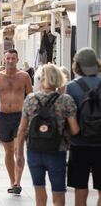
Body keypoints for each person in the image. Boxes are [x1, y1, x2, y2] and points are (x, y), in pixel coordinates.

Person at [16, 63, 79, 206]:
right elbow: (75, 129)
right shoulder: (66, 100)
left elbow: (21, 130)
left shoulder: (31, 99)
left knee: (39, 193)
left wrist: (19, 153)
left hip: (34, 151)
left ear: (41, 79)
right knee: (58, 195)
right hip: (57, 151)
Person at [0, 49, 33, 195]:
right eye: (8, 58)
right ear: (4, 60)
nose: (11, 61)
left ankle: (18, 182)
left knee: (19, 150)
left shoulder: (24, 76)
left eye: (13, 58)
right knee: (9, 151)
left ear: (17, 59)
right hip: (4, 116)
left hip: (20, 116)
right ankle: (12, 181)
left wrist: (31, 114)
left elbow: (30, 96)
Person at [65, 47, 101, 206]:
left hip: (79, 144)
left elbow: (69, 117)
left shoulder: (72, 87)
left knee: (80, 187)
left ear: (77, 64)